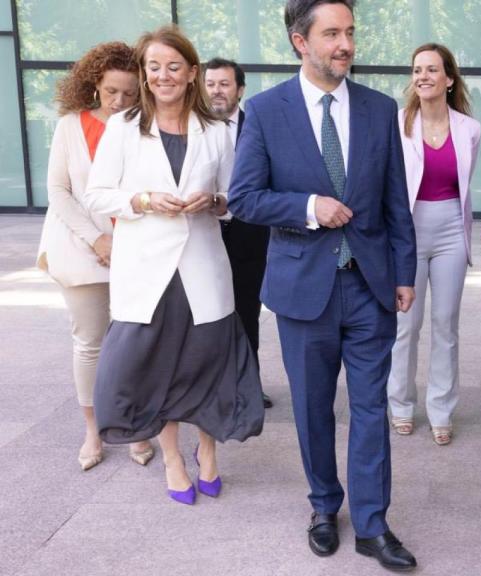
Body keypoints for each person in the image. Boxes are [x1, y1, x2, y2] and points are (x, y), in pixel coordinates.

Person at [227, 0, 418, 570]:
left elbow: (394, 201)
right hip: (303, 289)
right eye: (332, 33)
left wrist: (404, 273)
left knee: (368, 409)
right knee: (312, 410)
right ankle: (322, 506)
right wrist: (309, 206)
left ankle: (372, 524)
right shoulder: (264, 110)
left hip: (368, 285)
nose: (345, 44)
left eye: (350, 32)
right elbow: (244, 198)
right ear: (299, 41)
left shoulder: (380, 109)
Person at [82, 25, 264, 505]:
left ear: (192, 73)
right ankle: (172, 459)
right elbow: (97, 193)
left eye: (173, 66)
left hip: (203, 266)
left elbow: (236, 199)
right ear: (145, 73)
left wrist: (215, 200)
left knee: (206, 366)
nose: (163, 75)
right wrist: (141, 199)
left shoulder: (221, 131)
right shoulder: (123, 127)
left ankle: (207, 454)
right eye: (154, 66)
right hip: (147, 271)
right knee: (154, 366)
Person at [35, 41, 155, 471]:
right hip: (83, 251)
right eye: (111, 92)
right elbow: (59, 192)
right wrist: (96, 240)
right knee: (90, 343)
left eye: (128, 93)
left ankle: (136, 425)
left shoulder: (146, 126)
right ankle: (94, 429)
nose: (120, 101)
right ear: (94, 85)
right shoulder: (71, 125)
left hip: (137, 250)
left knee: (135, 344)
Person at [387, 43, 480, 446]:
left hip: (450, 233)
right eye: (416, 70)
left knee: (446, 325)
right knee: (406, 325)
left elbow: (462, 189)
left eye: (431, 70)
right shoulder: (397, 124)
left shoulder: (469, 129)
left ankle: (441, 408)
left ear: (448, 78)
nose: (422, 76)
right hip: (407, 231)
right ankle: (401, 405)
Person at [204, 57, 273, 410]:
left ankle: (249, 387)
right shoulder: (191, 128)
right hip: (203, 233)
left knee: (247, 311)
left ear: (240, 90)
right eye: (211, 83)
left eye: (224, 84)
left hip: (249, 233)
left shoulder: (257, 127)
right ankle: (211, 389)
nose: (216, 90)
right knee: (206, 312)